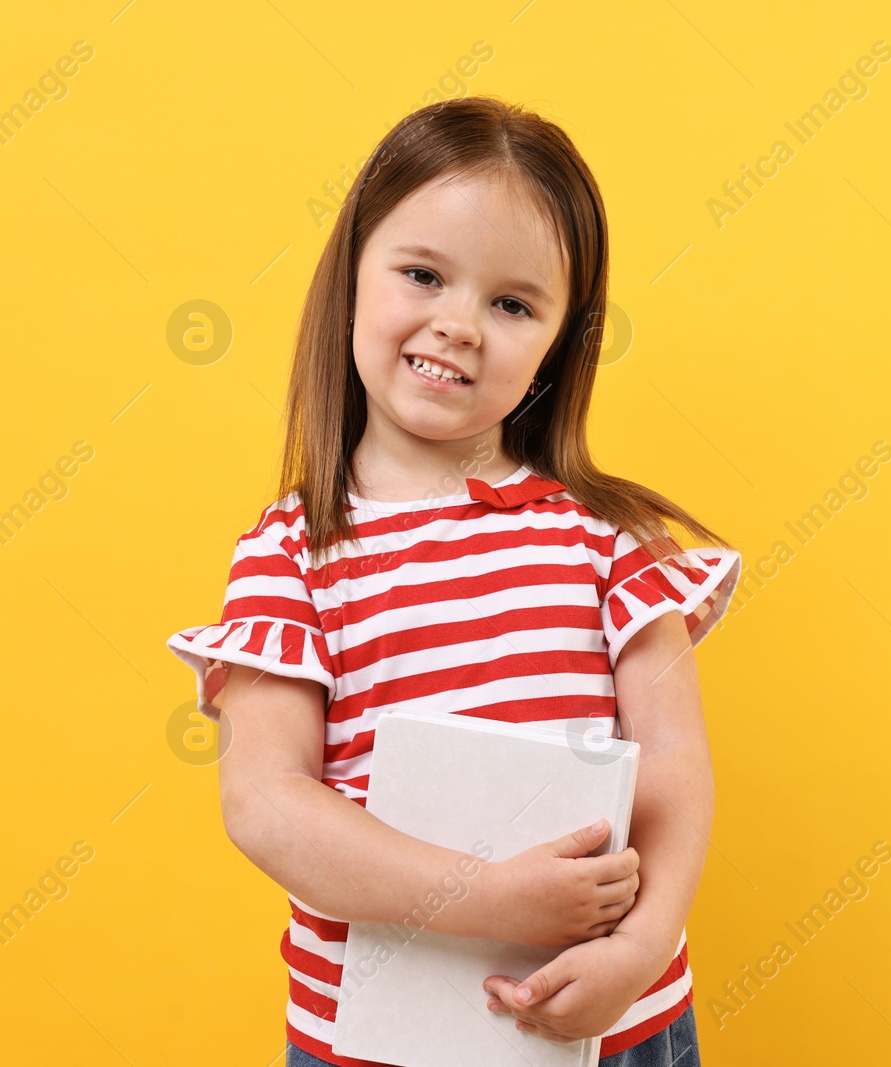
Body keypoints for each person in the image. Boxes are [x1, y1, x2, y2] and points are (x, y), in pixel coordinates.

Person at [165, 96, 741, 1067]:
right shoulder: (292, 556)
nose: (459, 324)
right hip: (382, 1046)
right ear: (351, 274)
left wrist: (638, 949)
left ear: (561, 342)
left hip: (618, 1025)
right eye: (423, 273)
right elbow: (266, 801)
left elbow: (676, 771)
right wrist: (487, 894)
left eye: (512, 304)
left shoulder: (605, 539)